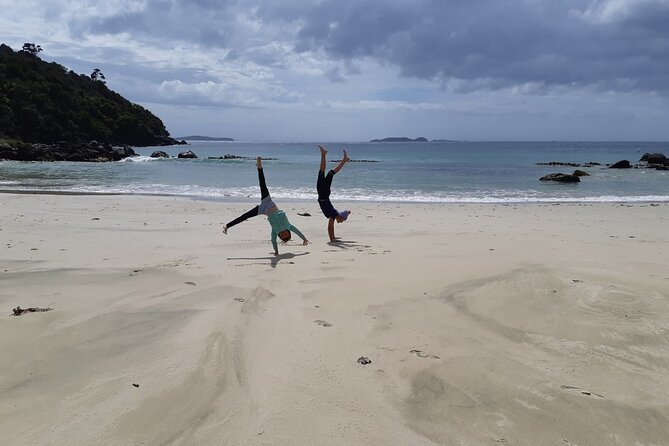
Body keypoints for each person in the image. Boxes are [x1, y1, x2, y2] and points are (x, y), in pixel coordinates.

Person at [223, 157, 309, 255]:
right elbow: (297, 232)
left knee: (245, 216)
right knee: (263, 185)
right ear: (288, 232)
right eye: (285, 234)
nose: (283, 233)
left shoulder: (275, 231)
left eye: (282, 235)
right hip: (268, 202)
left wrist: (276, 251)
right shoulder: (289, 226)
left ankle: (227, 226)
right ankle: (259, 167)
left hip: (263, 210)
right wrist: (304, 239)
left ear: (280, 236)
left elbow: (273, 240)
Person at [317, 145, 351, 241]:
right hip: (323, 194)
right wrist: (332, 239)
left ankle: (327, 155)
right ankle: (324, 154)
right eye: (342, 220)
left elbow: (330, 227)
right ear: (340, 216)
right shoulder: (333, 214)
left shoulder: (333, 214)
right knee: (325, 172)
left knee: (328, 173)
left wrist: (333, 237)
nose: (340, 222)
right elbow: (329, 228)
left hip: (324, 194)